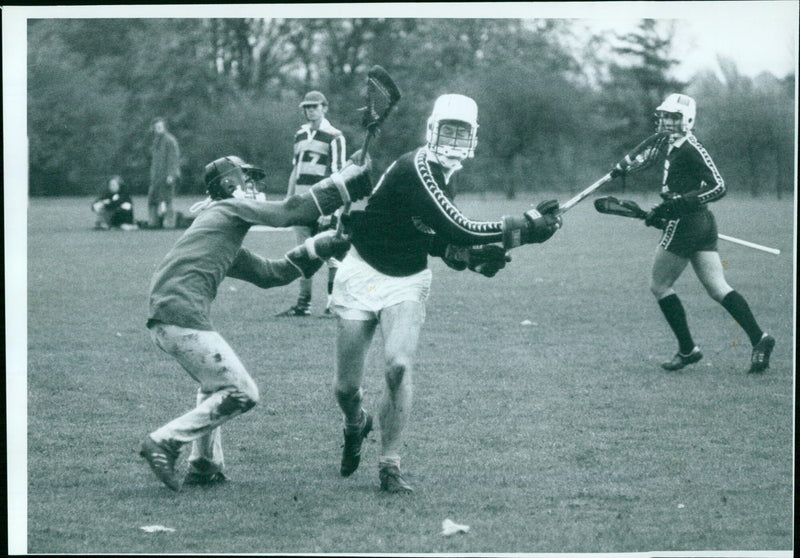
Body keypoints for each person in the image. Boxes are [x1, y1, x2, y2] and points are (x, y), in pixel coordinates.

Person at [330, 94, 563, 493]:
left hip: (407, 278)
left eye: (462, 131)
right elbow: (460, 228)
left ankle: (390, 463)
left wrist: (468, 259)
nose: (454, 138)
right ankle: (356, 423)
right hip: (361, 270)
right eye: (448, 129)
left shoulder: (448, 173)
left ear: (473, 136)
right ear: (433, 129)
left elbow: (437, 237)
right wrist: (525, 227)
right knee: (346, 389)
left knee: (397, 366)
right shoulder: (417, 167)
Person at [138, 153, 372, 491]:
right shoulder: (228, 210)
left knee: (215, 385)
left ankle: (204, 465)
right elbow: (293, 210)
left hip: (168, 316)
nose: (253, 186)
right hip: (179, 313)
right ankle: (164, 441)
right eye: (247, 179)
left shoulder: (220, 228)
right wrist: (343, 185)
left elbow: (269, 274)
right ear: (230, 184)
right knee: (243, 392)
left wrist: (317, 249)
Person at [637, 93, 775, 373]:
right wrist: (661, 210)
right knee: (717, 287)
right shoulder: (674, 146)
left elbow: (718, 187)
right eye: (664, 115)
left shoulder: (690, 146)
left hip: (687, 223)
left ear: (687, 120)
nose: (666, 121)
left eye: (673, 117)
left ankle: (688, 350)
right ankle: (760, 339)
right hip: (699, 223)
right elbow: (678, 192)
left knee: (659, 285)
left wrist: (677, 205)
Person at [277, 91, 347, 317]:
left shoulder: (335, 136)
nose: (310, 110)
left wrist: (332, 208)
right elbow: (295, 170)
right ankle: (303, 304)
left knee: (331, 255)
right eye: (307, 107)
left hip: (323, 204)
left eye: (314, 106)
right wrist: (289, 201)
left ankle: (333, 304)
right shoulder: (299, 135)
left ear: (324, 107)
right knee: (303, 254)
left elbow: (338, 175)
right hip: (300, 204)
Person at [147, 117, 181, 229]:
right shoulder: (156, 141)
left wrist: (171, 175)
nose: (157, 129)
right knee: (152, 199)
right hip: (156, 176)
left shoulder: (170, 141)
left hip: (166, 175)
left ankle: (169, 223)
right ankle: (153, 222)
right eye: (156, 127)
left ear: (164, 127)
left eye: (159, 126)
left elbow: (173, 159)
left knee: (168, 200)